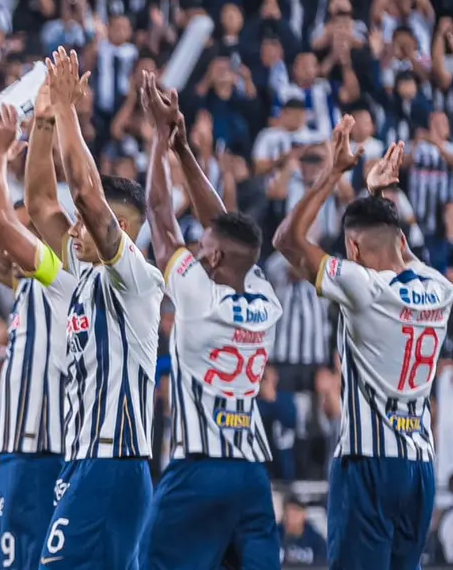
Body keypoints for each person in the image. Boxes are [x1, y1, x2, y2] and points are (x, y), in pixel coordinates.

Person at [273, 116, 453, 570]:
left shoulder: (363, 287)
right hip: (419, 466)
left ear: (352, 250)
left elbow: (286, 239)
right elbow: (395, 245)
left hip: (367, 463)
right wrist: (374, 195)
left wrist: (334, 173)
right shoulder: (439, 287)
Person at [137, 70, 283, 570]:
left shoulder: (197, 295)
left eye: (202, 251)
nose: (196, 253)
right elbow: (223, 227)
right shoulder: (264, 295)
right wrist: (184, 152)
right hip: (252, 478)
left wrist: (160, 138)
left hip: (198, 470)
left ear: (215, 261)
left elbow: (159, 213)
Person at [41, 48, 163, 569]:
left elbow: (89, 198)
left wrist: (69, 110)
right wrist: (44, 123)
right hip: (84, 458)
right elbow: (45, 204)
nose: (75, 229)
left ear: (125, 231)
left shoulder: (136, 278)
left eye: (87, 223)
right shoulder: (85, 275)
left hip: (113, 461)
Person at [0, 100, 71, 570]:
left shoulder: (63, 276)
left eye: (27, 230)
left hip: (45, 451)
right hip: (17, 451)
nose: (18, 241)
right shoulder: (34, 280)